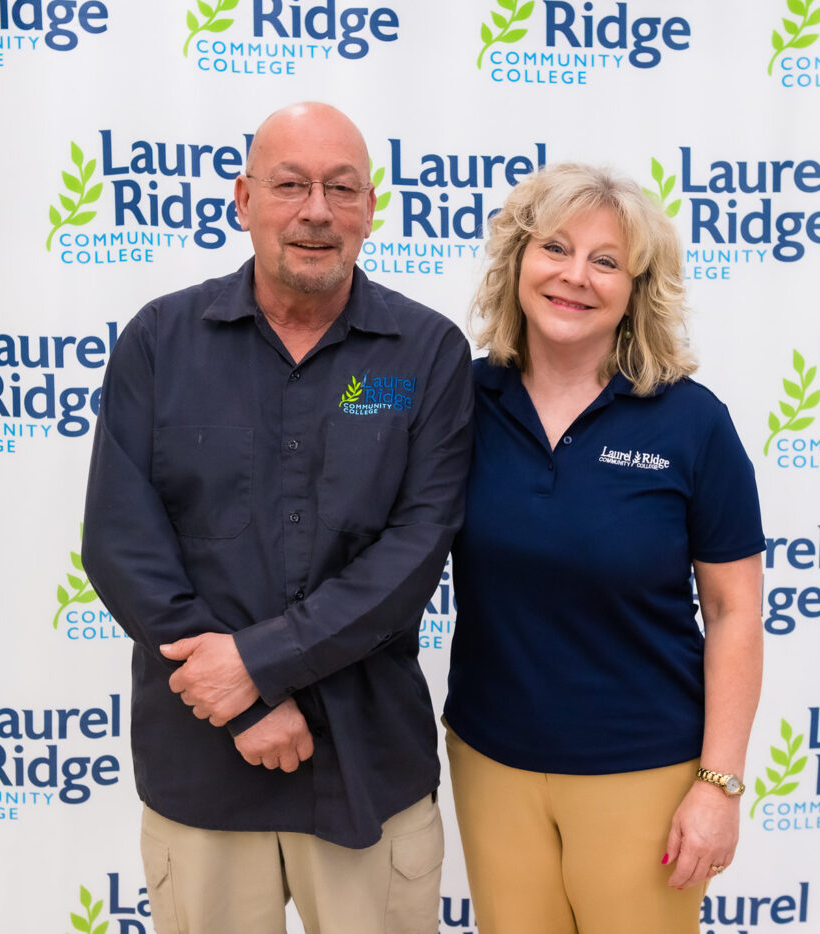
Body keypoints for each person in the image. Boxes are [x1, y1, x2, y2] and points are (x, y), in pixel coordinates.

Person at [81, 101, 472, 934]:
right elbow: (122, 544)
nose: (317, 211)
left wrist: (254, 664)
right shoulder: (159, 340)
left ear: (372, 208)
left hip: (370, 766)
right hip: (202, 765)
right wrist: (244, 702)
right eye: (290, 184)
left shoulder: (428, 354)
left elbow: (413, 554)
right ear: (243, 199)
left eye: (342, 188)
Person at [443, 162, 765, 934]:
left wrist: (718, 786)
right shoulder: (457, 395)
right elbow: (353, 393)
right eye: (555, 247)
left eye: (606, 261)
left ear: (635, 289)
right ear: (518, 260)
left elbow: (733, 612)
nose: (575, 276)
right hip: (490, 764)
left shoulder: (692, 425)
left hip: (644, 774)